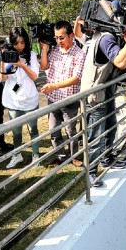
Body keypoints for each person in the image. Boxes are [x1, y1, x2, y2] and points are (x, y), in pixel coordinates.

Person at [78, 2, 126, 187]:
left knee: (111, 126)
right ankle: (90, 172)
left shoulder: (113, 36)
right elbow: (120, 62)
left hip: (106, 90)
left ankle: (106, 158)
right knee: (96, 133)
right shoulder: (106, 38)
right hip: (95, 93)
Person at [39, 20, 86, 168]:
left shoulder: (78, 53)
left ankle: (74, 156)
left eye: (61, 37)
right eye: (56, 38)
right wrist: (45, 49)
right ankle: (59, 156)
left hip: (69, 100)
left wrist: (54, 86)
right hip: (53, 99)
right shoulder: (54, 50)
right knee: (54, 130)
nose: (58, 41)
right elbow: (44, 66)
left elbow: (76, 78)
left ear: (71, 36)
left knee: (71, 130)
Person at [0, 26, 41, 169]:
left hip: (29, 98)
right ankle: (17, 155)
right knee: (16, 131)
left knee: (33, 129)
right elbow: (3, 78)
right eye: (16, 43)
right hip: (13, 100)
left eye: (22, 43)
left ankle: (35, 155)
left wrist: (22, 65)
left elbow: (35, 76)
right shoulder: (7, 55)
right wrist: (3, 59)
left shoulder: (32, 54)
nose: (19, 46)